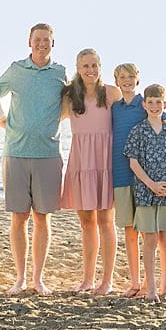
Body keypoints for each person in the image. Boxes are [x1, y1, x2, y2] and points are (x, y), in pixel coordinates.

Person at [0, 23, 67, 294]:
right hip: (15, 152)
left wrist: (53, 123)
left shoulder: (60, 73)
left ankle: (38, 279)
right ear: (29, 42)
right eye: (37, 40)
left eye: (46, 40)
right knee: (19, 217)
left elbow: (71, 104)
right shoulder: (16, 70)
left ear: (53, 43)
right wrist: (0, 120)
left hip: (48, 154)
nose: (41, 44)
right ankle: (20, 278)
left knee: (42, 218)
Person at [111, 62, 166, 296]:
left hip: (159, 185)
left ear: (137, 80)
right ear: (117, 81)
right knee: (132, 232)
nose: (126, 80)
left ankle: (162, 287)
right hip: (126, 177)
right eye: (122, 77)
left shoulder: (148, 103)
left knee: (160, 237)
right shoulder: (115, 107)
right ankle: (137, 284)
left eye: (130, 76)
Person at [60, 49, 115, 293]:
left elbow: (139, 110)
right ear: (78, 68)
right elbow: (49, 117)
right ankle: (88, 279)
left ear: (100, 67)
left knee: (106, 221)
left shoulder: (111, 93)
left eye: (94, 65)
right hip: (81, 161)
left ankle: (107, 281)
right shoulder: (71, 95)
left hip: (105, 162)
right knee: (86, 222)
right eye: (85, 66)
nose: (90, 70)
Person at [125, 82, 166, 302]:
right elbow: (133, 163)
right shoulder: (138, 130)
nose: (154, 106)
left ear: (164, 104)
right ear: (144, 105)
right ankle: (151, 288)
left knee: (165, 239)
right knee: (150, 239)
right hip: (145, 192)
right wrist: (151, 184)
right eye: (150, 102)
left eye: (158, 102)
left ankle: (165, 287)